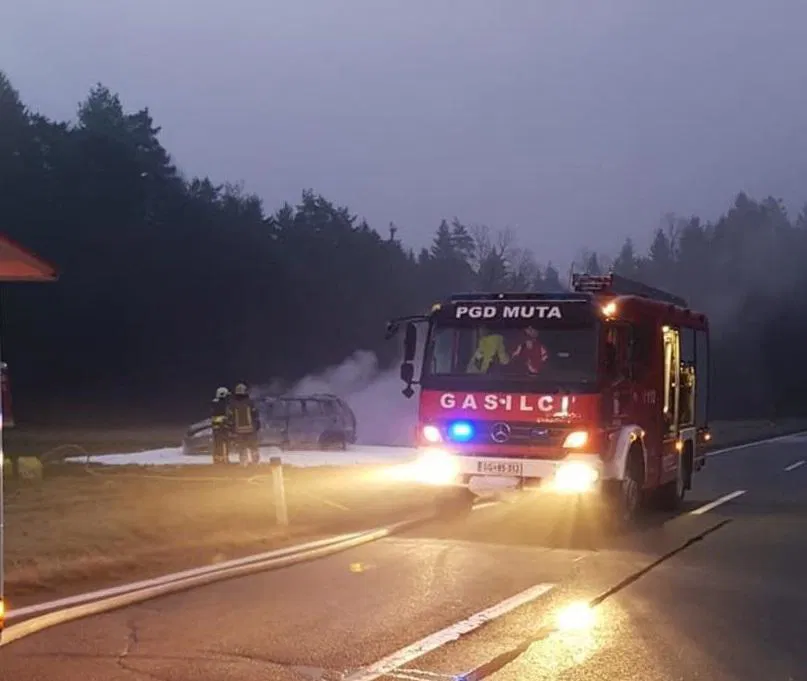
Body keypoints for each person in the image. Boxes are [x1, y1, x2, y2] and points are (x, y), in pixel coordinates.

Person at [228, 382, 261, 465]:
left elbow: (230, 417)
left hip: (239, 430)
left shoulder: (233, 404)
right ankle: (255, 462)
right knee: (253, 446)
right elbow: (255, 414)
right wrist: (257, 424)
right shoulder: (250, 402)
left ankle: (243, 462)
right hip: (251, 429)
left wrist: (231, 427)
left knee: (242, 447)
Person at [210, 386, 231, 464]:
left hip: (217, 428)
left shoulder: (214, 403)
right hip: (221, 427)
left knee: (218, 444)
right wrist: (226, 421)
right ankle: (222, 459)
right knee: (222, 443)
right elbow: (223, 416)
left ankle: (218, 459)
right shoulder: (221, 404)